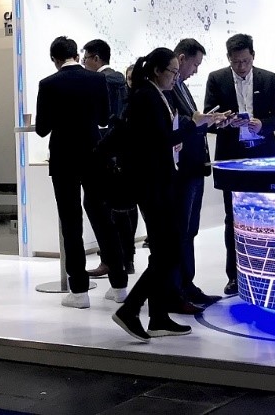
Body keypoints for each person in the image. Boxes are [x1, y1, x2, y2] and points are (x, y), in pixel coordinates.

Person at [34, 36, 128, 308]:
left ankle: (79, 291)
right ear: (77, 55)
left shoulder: (48, 84)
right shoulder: (97, 80)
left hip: (63, 158)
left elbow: (42, 128)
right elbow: (103, 118)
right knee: (103, 218)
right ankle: (119, 285)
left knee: (71, 222)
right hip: (94, 154)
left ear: (55, 59)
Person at [112, 48, 190, 341]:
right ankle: (131, 309)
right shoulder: (147, 97)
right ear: (158, 71)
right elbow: (159, 141)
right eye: (172, 71)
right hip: (152, 185)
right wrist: (195, 126)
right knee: (168, 251)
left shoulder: (154, 95)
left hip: (158, 182)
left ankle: (158, 317)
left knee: (164, 251)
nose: (175, 77)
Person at [203, 32, 275, 297]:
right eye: (236, 62)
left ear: (253, 56)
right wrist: (224, 121)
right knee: (233, 217)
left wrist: (263, 125)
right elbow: (208, 119)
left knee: (269, 214)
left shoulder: (268, 78)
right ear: (228, 58)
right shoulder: (216, 79)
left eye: (245, 61)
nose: (241, 66)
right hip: (232, 157)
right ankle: (235, 276)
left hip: (264, 155)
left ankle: (273, 271)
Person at [165, 38, 226, 309]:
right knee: (180, 231)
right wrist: (197, 121)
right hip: (181, 169)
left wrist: (210, 121)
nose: (196, 70)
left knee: (189, 230)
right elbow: (175, 125)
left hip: (194, 166)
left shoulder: (181, 87)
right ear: (181, 59)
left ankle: (187, 285)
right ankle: (177, 289)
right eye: (194, 64)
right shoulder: (167, 89)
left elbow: (190, 122)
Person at [81, 38, 134, 279]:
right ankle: (124, 259)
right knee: (120, 209)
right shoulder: (119, 80)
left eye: (85, 58)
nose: (83, 63)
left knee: (99, 206)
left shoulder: (102, 81)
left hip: (105, 151)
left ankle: (112, 260)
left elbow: (104, 119)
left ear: (95, 58)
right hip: (120, 153)